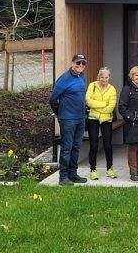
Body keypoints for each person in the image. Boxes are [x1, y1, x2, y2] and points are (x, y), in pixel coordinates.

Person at [49, 54, 89, 186]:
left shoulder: (81, 77)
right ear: (72, 63)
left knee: (77, 147)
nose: (80, 66)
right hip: (68, 118)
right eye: (78, 63)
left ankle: (73, 173)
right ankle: (63, 177)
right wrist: (59, 113)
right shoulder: (64, 79)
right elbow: (53, 99)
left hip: (80, 117)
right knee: (67, 147)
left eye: (83, 63)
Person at [85, 66, 117, 180]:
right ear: (99, 77)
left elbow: (111, 107)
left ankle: (110, 169)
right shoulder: (92, 85)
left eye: (106, 77)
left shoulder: (112, 89)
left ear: (109, 77)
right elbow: (88, 101)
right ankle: (93, 170)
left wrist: (97, 106)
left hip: (106, 119)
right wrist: (103, 104)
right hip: (93, 118)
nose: (104, 79)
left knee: (108, 145)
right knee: (94, 145)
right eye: (102, 77)